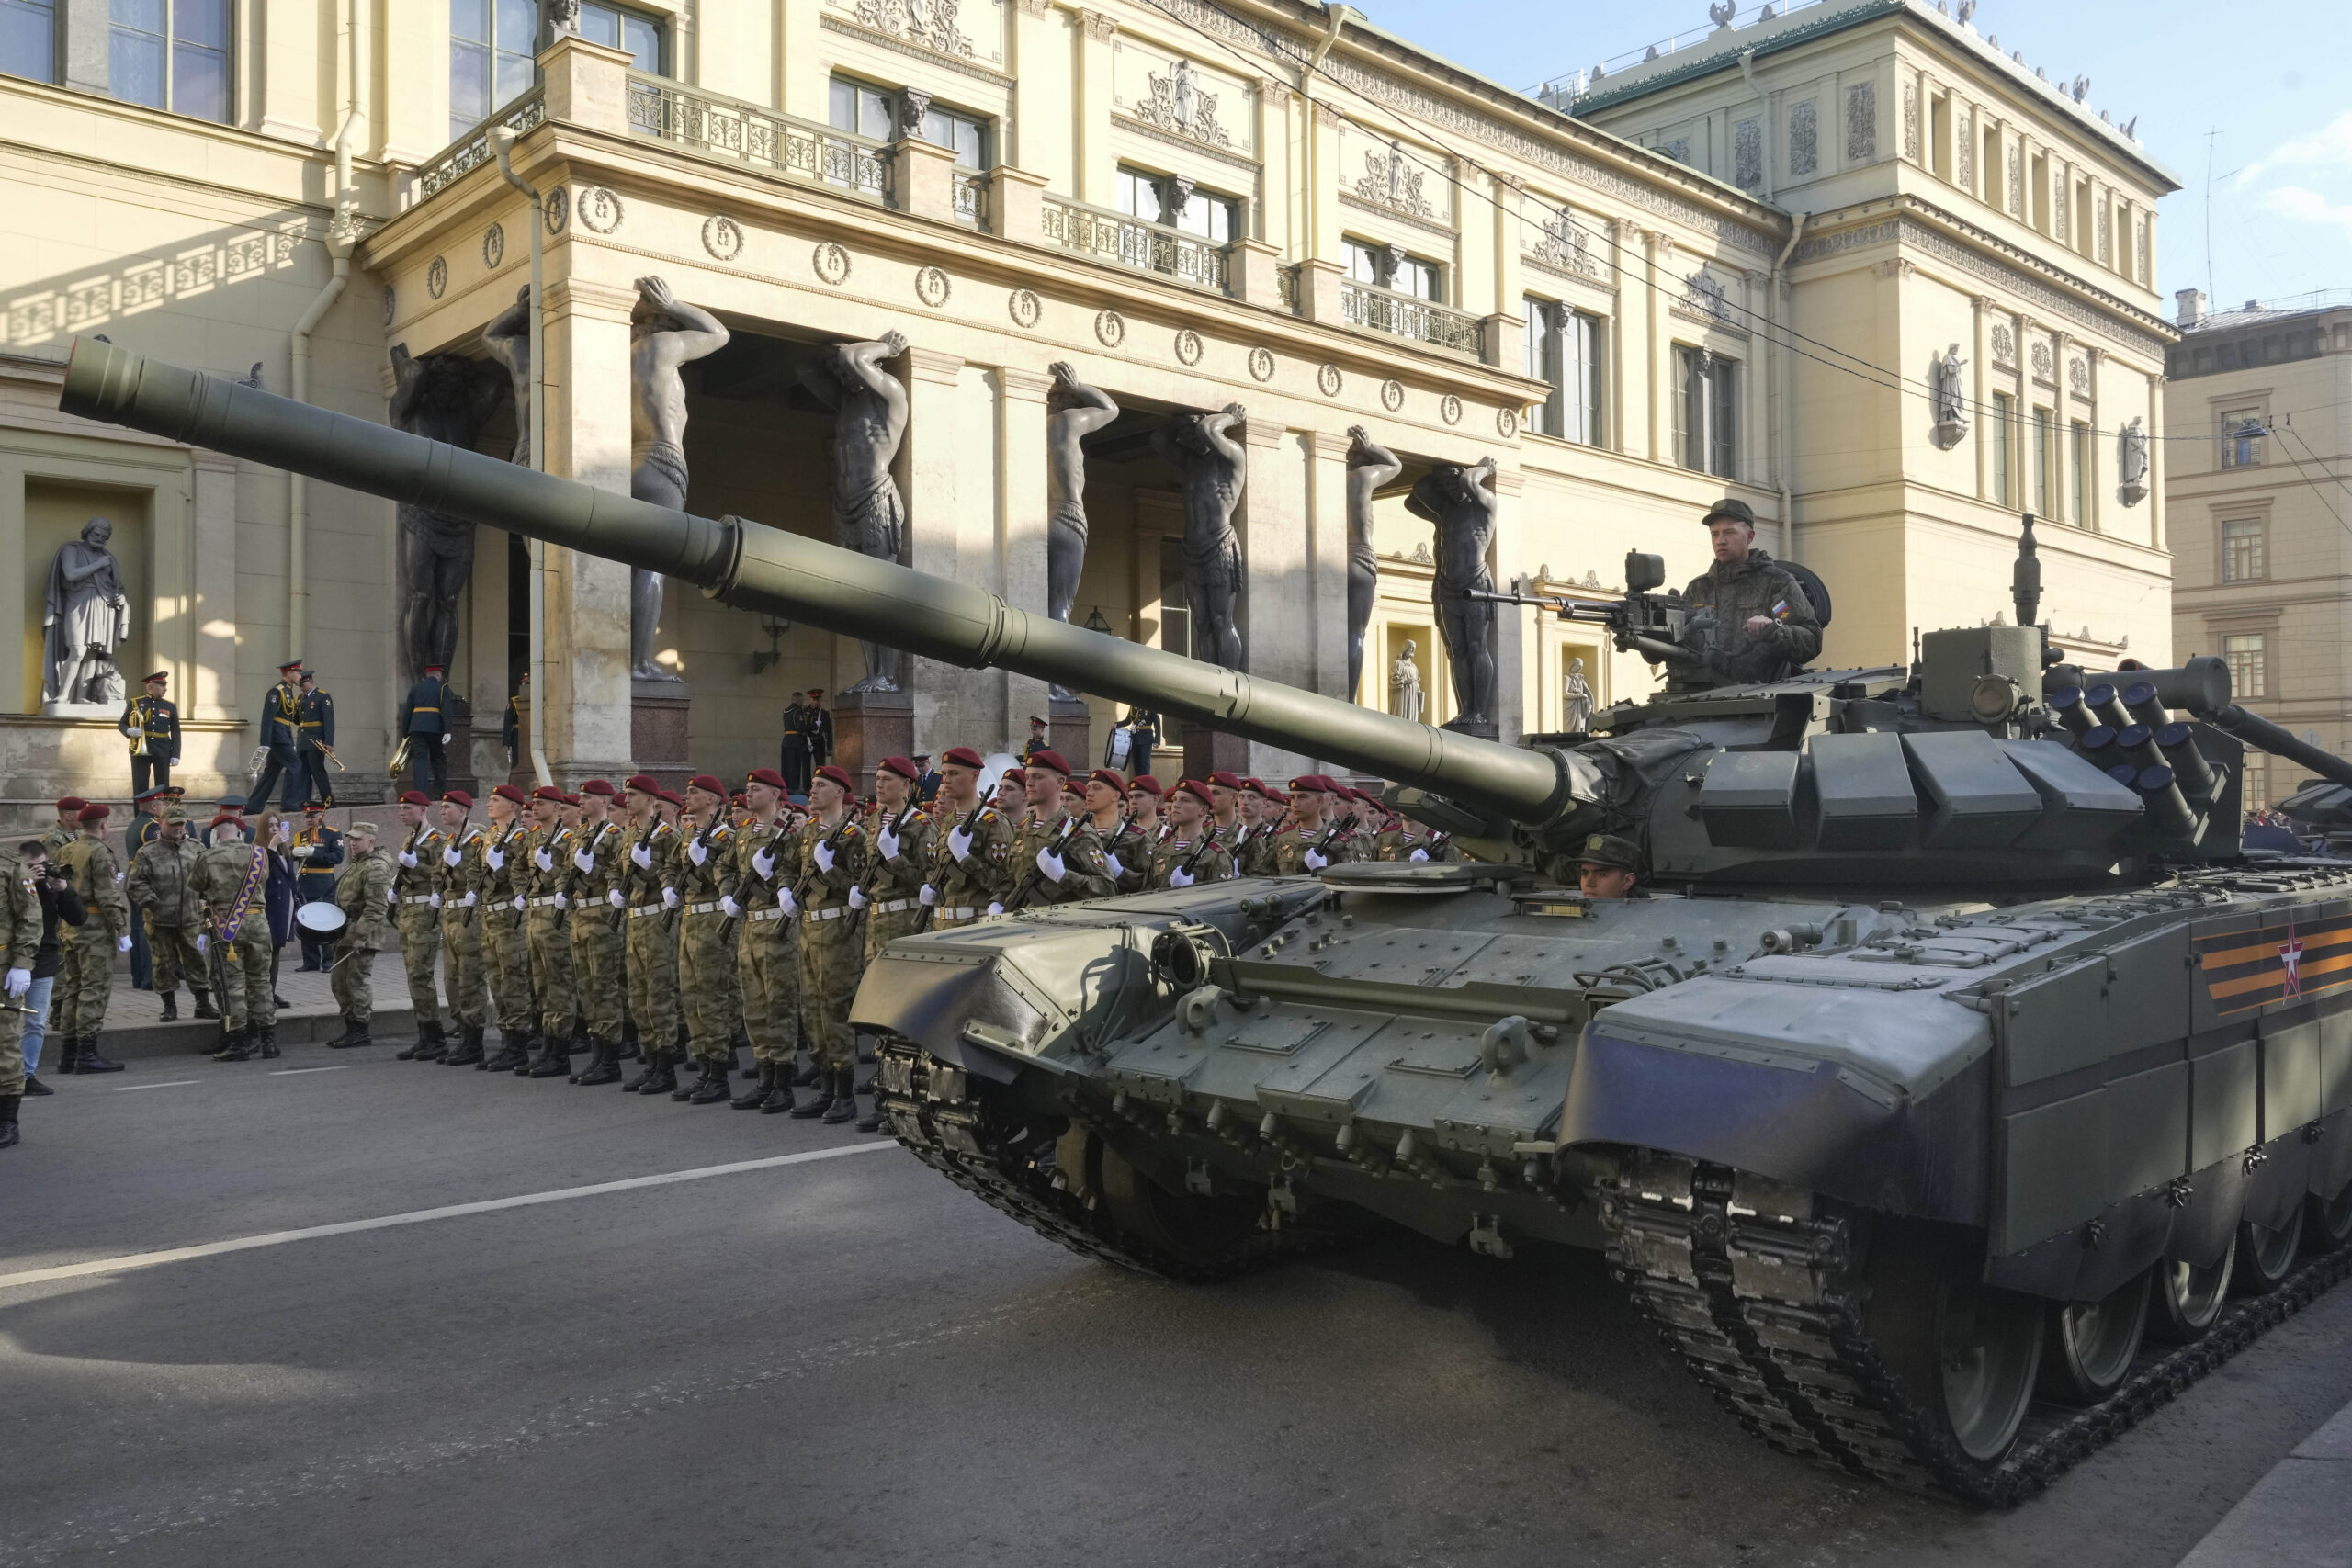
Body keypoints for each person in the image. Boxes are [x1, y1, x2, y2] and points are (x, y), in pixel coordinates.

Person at [783, 763, 867, 1123]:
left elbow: (859, 887)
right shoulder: (807, 834)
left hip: (837, 931)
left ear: (839, 792)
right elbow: (790, 869)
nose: (812, 790)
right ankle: (826, 1086)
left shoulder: (854, 835)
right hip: (809, 929)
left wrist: (830, 869)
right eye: (813, 783)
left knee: (835, 1009)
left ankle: (845, 1094)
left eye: (820, 785)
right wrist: (786, 889)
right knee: (812, 1010)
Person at [1677, 499, 1821, 686]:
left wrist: (1774, 631)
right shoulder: (1698, 589)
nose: (1721, 540)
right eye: (1715, 534)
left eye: (1730, 532)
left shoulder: (1775, 583)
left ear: (1750, 537)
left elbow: (1811, 640)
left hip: (1759, 703)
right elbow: (1673, 645)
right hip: (1698, 702)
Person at [729, 768, 805, 1112]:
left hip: (778, 927)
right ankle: (764, 1078)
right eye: (748, 788)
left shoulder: (787, 833)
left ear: (775, 794)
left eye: (756, 788)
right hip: (749, 927)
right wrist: (725, 895)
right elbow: (726, 868)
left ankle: (783, 1083)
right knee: (755, 1007)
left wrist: (772, 877)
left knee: (779, 1005)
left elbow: (799, 877)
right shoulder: (743, 832)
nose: (749, 794)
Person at [672, 773, 743, 1104]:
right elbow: (670, 867)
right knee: (691, 995)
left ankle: (718, 1073)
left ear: (713, 800)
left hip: (715, 918)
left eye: (695, 792)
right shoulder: (688, 833)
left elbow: (731, 877)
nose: (688, 796)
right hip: (689, 919)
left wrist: (707, 864)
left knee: (712, 997)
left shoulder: (727, 837)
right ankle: (703, 1069)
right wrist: (667, 887)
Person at [190, 807, 278, 1061]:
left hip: (227, 926)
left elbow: (196, 888)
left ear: (216, 834)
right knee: (261, 981)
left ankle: (239, 1043)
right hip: (258, 924)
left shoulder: (207, 857)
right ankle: (269, 1042)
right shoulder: (260, 854)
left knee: (233, 986)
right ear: (240, 832)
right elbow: (263, 881)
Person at [616, 774, 684, 1095]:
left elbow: (679, 877)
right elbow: (615, 871)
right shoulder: (630, 832)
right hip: (634, 919)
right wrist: (615, 889)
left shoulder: (668, 835)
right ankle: (650, 1061)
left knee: (659, 994)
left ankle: (665, 1066)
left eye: (633, 795)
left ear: (650, 801)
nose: (626, 799)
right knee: (638, 995)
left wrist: (650, 871)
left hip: (659, 920)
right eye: (626, 794)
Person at [50, 802, 129, 1075]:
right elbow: (108, 895)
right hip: (95, 929)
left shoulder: (66, 849)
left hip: (71, 928)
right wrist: (122, 929)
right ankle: (87, 1054)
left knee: (74, 988)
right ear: (104, 825)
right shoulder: (100, 853)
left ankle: (68, 1054)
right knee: (94, 990)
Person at [565, 780, 630, 1086]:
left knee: (604, 987)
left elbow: (622, 876)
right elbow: (569, 873)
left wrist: (594, 870)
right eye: (580, 796)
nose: (581, 800)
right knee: (587, 988)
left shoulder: (615, 836)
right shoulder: (581, 833)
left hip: (604, 916)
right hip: (581, 915)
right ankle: (597, 1055)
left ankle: (610, 1060)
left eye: (587, 796)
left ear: (605, 801)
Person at [514, 786, 581, 1078]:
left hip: (557, 916)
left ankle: (560, 1053)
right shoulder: (532, 838)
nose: (534, 807)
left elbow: (572, 877)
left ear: (557, 808)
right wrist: (519, 892)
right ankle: (546, 1048)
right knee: (541, 985)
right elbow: (517, 869)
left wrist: (551, 870)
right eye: (533, 803)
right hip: (534, 914)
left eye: (541, 804)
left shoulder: (569, 839)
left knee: (559, 984)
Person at [127, 807, 213, 1024]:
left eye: (181, 824)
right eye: (173, 824)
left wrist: (206, 902)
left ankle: (203, 1004)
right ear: (161, 824)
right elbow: (135, 883)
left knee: (197, 961)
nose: (178, 828)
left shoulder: (197, 849)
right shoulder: (147, 852)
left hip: (191, 918)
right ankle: (169, 1006)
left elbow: (208, 879)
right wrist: (152, 902)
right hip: (160, 919)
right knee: (163, 964)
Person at [14, 842, 85, 1100]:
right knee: (7, 1022)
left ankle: (26, 1075)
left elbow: (78, 917)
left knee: (36, 1022)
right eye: (32, 867)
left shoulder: (50, 885)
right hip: (11, 961)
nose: (40, 871)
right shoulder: (11, 882)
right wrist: (25, 884)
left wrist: (64, 890)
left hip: (43, 959)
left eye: (42, 865)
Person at [1005, 750, 1117, 911]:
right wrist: (996, 902)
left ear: (1060, 782)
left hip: (1058, 928)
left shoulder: (1078, 833)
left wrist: (1063, 875)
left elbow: (1107, 889)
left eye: (1038, 777)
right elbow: (1010, 878)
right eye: (1028, 777)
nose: (1029, 783)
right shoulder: (1021, 830)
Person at [478, 784, 538, 1073]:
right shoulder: (490, 835)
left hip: (511, 918)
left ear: (512, 806)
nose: (489, 803)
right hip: (489, 916)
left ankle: (518, 1045)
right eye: (489, 799)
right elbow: (477, 871)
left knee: (514, 981)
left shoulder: (523, 838)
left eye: (495, 800)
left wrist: (499, 869)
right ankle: (505, 1040)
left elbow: (522, 880)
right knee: (496, 982)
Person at [925, 747, 1016, 931]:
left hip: (974, 924)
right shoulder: (948, 820)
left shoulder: (993, 822)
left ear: (975, 776)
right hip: (942, 923)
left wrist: (966, 858)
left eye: (954, 773)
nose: (946, 780)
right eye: (944, 774)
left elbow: (1003, 880)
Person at [389, 791, 450, 1061]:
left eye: (408, 809)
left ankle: (435, 1037)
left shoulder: (436, 840)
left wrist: (418, 867)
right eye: (401, 809)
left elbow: (444, 875)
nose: (402, 813)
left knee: (420, 973)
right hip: (409, 909)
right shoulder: (411, 837)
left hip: (426, 910)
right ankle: (425, 1035)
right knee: (413, 974)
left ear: (423, 810)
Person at [433, 790, 492, 1066]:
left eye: (449, 807)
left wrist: (462, 866)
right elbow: (437, 873)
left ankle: (474, 1040)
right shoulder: (449, 840)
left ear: (464, 811)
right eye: (443, 807)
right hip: (450, 914)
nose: (443, 811)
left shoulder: (478, 841)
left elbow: (482, 875)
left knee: (470, 977)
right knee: (452, 979)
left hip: (469, 916)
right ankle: (462, 1028)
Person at [324, 821, 392, 1049]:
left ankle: (360, 1030)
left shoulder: (375, 867)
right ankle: (351, 1027)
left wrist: (361, 935)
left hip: (362, 933)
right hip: (347, 930)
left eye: (358, 839)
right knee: (340, 983)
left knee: (356, 982)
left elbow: (376, 906)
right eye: (351, 839)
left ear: (371, 841)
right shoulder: (359, 864)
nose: (353, 843)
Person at [0, 838, 45, 1149]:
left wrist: (22, 964)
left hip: (3, 970)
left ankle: (7, 1121)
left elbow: (29, 916)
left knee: (4, 1043)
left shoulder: (9, 866)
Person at [245, 660, 309, 813]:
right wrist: (265, 742)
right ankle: (289, 803)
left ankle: (253, 807)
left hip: (284, 733)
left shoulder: (288, 691)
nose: (300, 675)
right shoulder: (276, 691)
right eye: (297, 672)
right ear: (289, 673)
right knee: (296, 766)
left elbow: (290, 718)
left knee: (271, 772)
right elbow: (268, 718)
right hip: (277, 734)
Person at [290, 800, 345, 971]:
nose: (308, 819)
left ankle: (328, 961)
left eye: (312, 815)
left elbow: (337, 857)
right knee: (305, 921)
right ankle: (310, 961)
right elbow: (295, 857)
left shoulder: (332, 834)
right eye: (306, 816)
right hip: (305, 883)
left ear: (321, 815)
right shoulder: (301, 835)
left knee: (325, 923)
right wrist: (293, 853)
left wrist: (315, 852)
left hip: (323, 883)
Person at [1152, 779, 1232, 888]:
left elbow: (1222, 900)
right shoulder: (1159, 850)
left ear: (1203, 810)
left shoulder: (1215, 855)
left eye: (1185, 800)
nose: (1175, 805)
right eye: (1175, 799)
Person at [1272, 776, 1359, 874]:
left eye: (1302, 797)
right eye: (1292, 797)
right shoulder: (1282, 837)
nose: (1295, 804)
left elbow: (1348, 881)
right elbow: (1263, 876)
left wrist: (1322, 870)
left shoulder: (1339, 842)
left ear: (1319, 801)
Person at [1083, 768, 1148, 894]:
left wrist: (1121, 873)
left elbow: (1150, 884)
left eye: (1097, 788)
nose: (1089, 793)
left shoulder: (1138, 836)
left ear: (1115, 795)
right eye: (1088, 788)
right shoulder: (1078, 834)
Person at [124, 787, 164, 989]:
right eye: (162, 803)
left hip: (132, 877)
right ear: (154, 806)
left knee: (137, 928)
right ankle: (149, 977)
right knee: (146, 929)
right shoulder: (150, 827)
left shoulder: (134, 824)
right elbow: (157, 854)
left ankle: (138, 976)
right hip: (145, 880)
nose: (164, 807)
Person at [121, 671, 181, 795]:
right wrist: (128, 730)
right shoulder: (135, 703)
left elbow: (176, 731)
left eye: (165, 685)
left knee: (163, 785)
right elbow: (122, 724)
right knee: (140, 785)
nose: (165, 689)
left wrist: (176, 754)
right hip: (140, 749)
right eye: (162, 686)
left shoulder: (170, 706)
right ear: (150, 687)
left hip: (163, 749)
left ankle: (162, 814)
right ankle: (140, 814)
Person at [400, 662, 455, 795]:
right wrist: (448, 730)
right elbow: (446, 710)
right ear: (437, 674)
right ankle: (439, 791)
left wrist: (405, 732)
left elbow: (407, 712)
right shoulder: (443, 688)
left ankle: (420, 792)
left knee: (419, 759)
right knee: (437, 758)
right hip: (435, 728)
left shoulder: (416, 688)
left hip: (416, 728)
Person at [295, 669, 338, 807]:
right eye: (299, 684)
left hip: (316, 741)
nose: (301, 687)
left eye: (303, 683)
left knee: (318, 772)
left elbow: (329, 721)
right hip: (302, 740)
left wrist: (328, 742)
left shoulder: (322, 696)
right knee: (303, 773)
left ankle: (329, 802)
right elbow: (297, 721)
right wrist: (295, 709)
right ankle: (304, 802)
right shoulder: (300, 698)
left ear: (311, 681)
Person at [1575, 834, 1642, 899]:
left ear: (1627, 881)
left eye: (1600, 875)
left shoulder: (1648, 910)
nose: (1588, 883)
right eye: (1584, 874)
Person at [780, 691, 820, 794]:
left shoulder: (786, 710)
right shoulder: (797, 711)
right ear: (799, 700)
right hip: (795, 741)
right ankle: (794, 788)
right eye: (802, 700)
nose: (803, 702)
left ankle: (786, 787)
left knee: (786, 766)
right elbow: (800, 726)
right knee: (795, 766)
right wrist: (815, 725)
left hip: (786, 740)